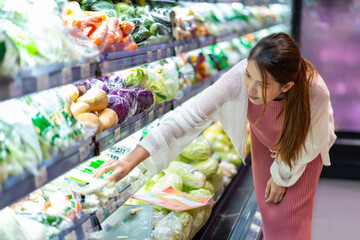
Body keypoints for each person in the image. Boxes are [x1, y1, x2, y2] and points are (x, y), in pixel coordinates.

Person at [93, 32, 336, 240]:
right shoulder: (238, 79)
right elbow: (186, 118)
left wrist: (282, 175)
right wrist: (130, 160)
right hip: (265, 142)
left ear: (286, 87)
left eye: (261, 85)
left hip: (303, 151)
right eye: (248, 75)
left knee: (291, 220)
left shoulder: (315, 92)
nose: (249, 88)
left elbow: (311, 141)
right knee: (270, 212)